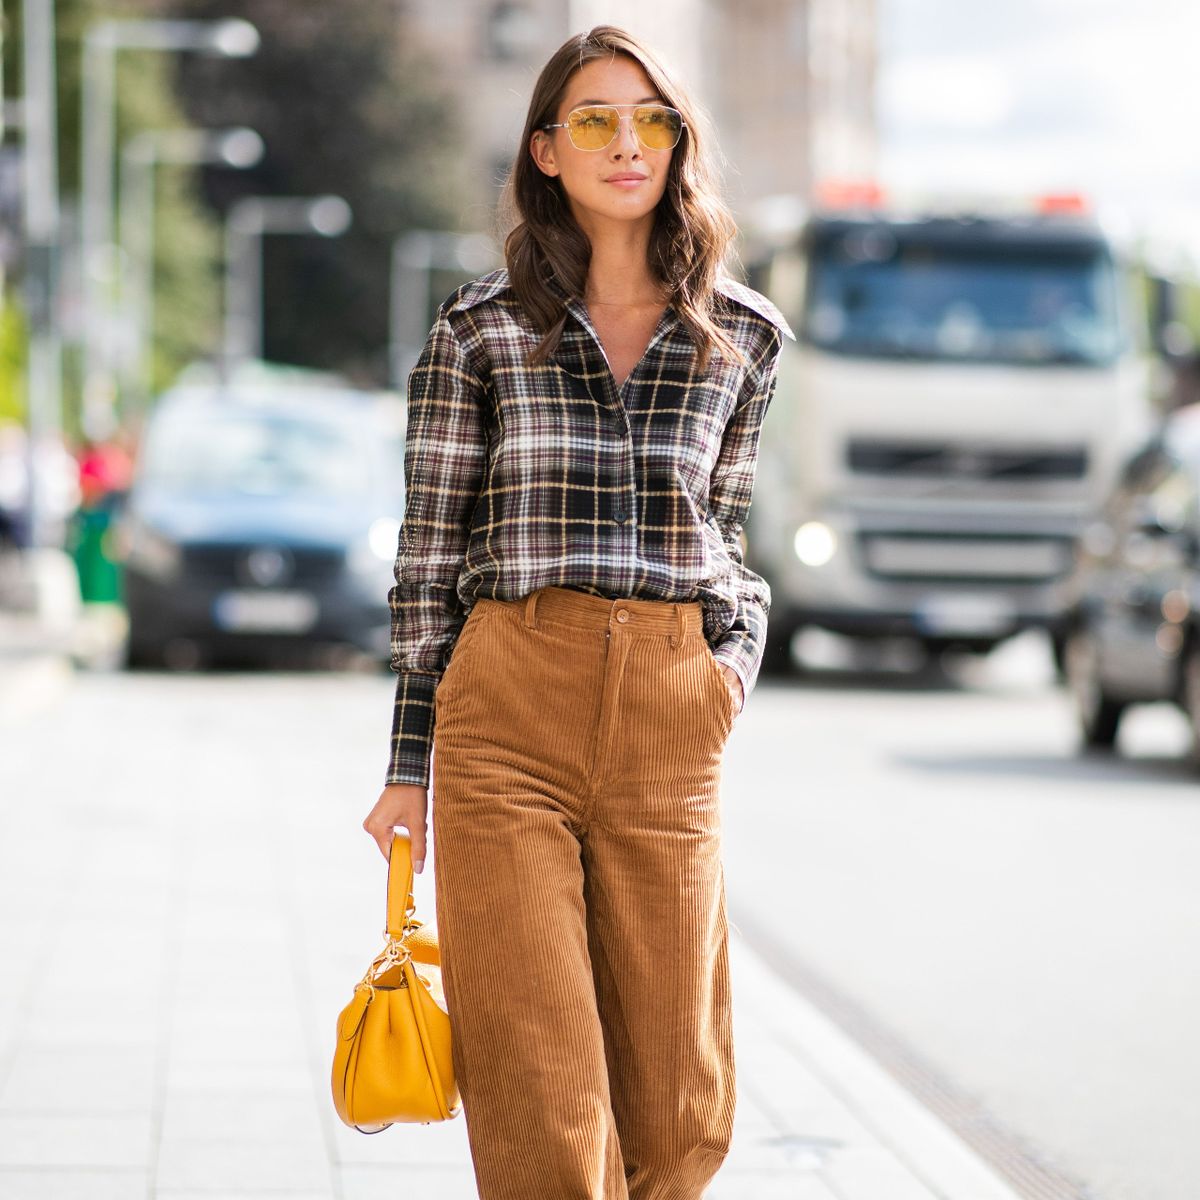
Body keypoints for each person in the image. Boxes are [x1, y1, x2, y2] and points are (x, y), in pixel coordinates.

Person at [362, 25, 794, 1200]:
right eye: (594, 120)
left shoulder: (743, 338)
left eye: (650, 118)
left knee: (680, 1113)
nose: (626, 143)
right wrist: (411, 766)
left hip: (669, 717)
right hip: (509, 718)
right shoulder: (478, 330)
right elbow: (430, 556)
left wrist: (725, 671)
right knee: (543, 1099)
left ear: (677, 144)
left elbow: (730, 536)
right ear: (546, 151)